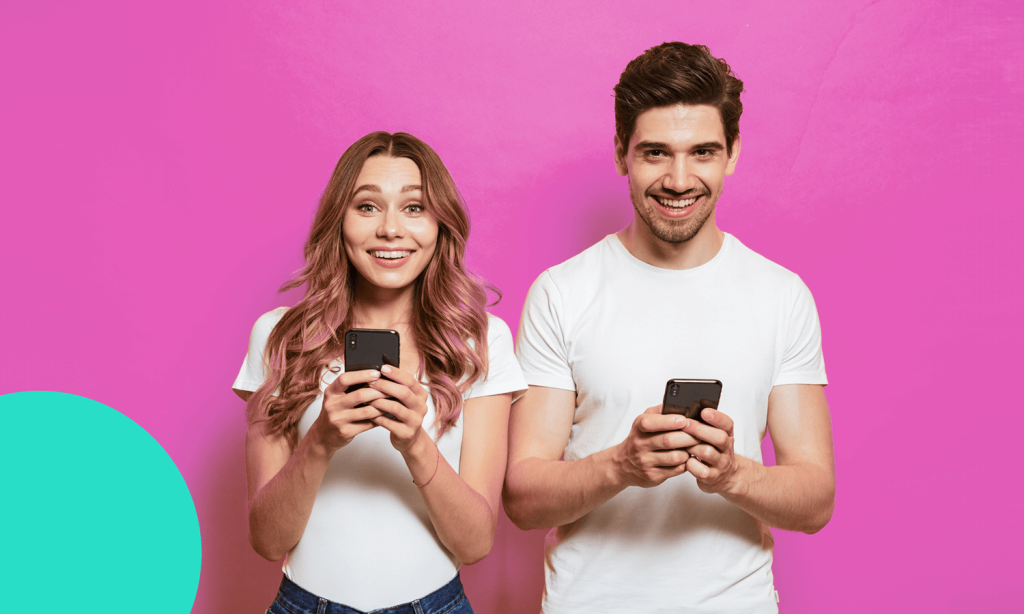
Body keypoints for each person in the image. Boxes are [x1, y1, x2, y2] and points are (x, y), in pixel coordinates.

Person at [504, 42, 836, 613]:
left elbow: (815, 500)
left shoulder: (782, 297)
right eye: (655, 153)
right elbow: (523, 499)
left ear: (731, 153)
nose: (679, 180)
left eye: (702, 152)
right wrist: (620, 465)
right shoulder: (562, 293)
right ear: (621, 154)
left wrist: (732, 474)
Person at [233, 131, 526, 614]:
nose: (391, 229)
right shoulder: (279, 336)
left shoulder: (480, 341)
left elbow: (475, 543)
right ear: (339, 221)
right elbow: (267, 540)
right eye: (367, 207)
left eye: (414, 208)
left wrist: (415, 442)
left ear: (440, 225)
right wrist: (321, 440)